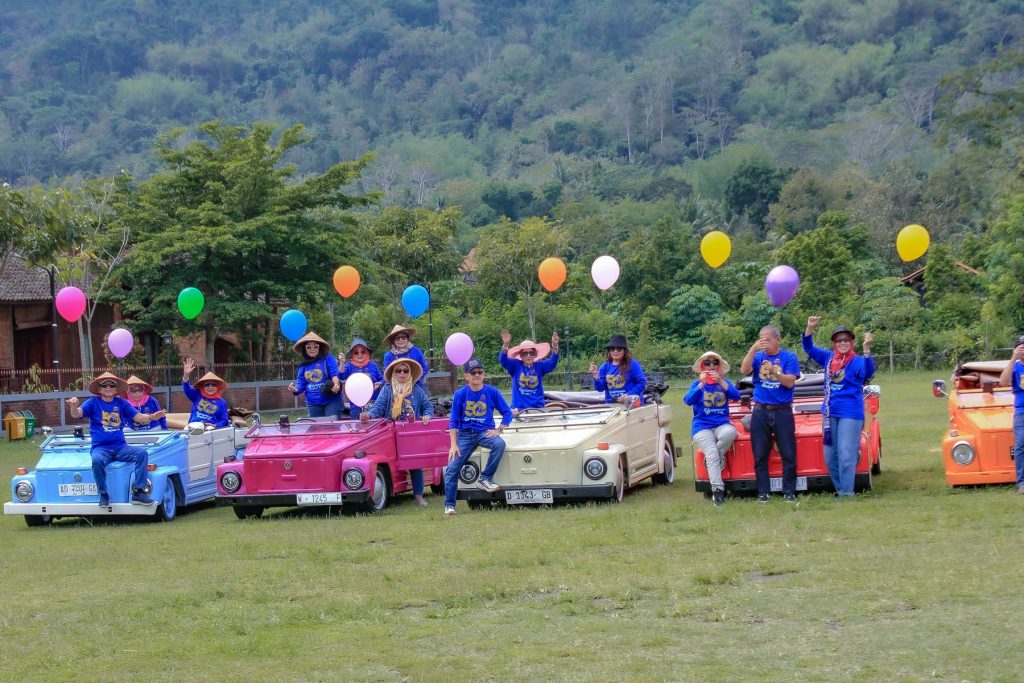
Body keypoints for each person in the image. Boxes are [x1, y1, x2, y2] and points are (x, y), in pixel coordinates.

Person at [65, 372, 166, 506]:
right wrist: (73, 406)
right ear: (99, 389)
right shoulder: (92, 402)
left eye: (111, 385)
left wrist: (152, 417)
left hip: (120, 447)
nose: (108, 388)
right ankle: (103, 494)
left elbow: (139, 418)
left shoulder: (122, 404)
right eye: (104, 385)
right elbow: (76, 414)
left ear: (116, 389)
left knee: (142, 454)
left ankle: (138, 492)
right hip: (100, 448)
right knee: (96, 460)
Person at [803, 317, 875, 497]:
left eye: (846, 340)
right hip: (829, 413)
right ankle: (841, 490)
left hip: (850, 413)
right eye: (839, 340)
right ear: (834, 343)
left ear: (851, 342)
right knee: (830, 457)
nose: (842, 343)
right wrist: (809, 328)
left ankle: (847, 493)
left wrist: (867, 350)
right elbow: (809, 348)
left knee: (845, 454)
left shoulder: (857, 360)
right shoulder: (828, 358)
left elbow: (868, 372)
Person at [444, 359, 514, 516]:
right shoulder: (460, 394)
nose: (476, 375)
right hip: (465, 434)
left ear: (484, 374)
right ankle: (449, 505)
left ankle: (485, 478)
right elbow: (454, 420)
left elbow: (507, 412)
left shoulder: (492, 392)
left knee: (499, 444)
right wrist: (453, 445)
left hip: (485, 432)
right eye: (473, 373)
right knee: (452, 468)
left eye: (479, 372)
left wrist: (499, 430)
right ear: (466, 376)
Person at [361, 358, 434, 506]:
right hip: (391, 432)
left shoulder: (416, 389)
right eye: (398, 371)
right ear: (393, 373)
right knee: (390, 462)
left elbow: (428, 406)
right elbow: (378, 407)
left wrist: (427, 415)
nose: (402, 373)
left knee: (415, 464)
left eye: (405, 370)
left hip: (410, 432)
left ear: (410, 373)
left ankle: (419, 496)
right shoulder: (387, 389)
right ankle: (389, 491)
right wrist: (368, 415)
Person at [740, 325, 800, 502]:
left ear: (777, 340)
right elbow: (744, 370)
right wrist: (752, 349)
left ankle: (789, 492)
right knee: (760, 454)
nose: (764, 342)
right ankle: (763, 493)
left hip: (783, 411)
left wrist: (776, 371)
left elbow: (789, 382)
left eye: (768, 339)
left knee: (788, 453)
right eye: (761, 338)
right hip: (761, 411)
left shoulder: (789, 357)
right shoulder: (758, 357)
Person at [684, 352, 741, 507]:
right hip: (702, 426)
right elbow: (688, 401)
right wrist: (702, 384)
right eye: (707, 363)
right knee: (711, 453)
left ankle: (713, 460)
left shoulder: (725, 382)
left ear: (719, 366)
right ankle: (717, 491)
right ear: (702, 367)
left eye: (714, 362)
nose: (711, 366)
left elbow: (737, 396)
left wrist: (721, 382)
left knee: (731, 433)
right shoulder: (696, 385)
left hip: (722, 424)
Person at [499, 329, 560, 415]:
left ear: (535, 355)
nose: (528, 355)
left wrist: (555, 345)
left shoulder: (539, 366)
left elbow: (552, 362)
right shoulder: (515, 365)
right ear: (520, 355)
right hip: (518, 410)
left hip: (538, 409)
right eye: (525, 353)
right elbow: (503, 360)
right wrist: (505, 344)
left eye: (531, 353)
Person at [288, 332, 342, 419]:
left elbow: (334, 375)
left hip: (331, 401)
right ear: (305, 349)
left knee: (332, 428)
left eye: (315, 346)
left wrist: (336, 385)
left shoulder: (328, 359)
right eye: (308, 347)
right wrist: (295, 389)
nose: (312, 349)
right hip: (313, 404)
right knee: (316, 430)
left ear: (319, 347)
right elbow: (300, 384)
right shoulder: (303, 366)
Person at [998, 334, 1024, 495]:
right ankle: (1022, 482)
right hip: (1021, 411)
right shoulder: (1014, 367)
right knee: (1021, 444)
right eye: (1020, 348)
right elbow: (1003, 381)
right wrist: (1013, 358)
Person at [590, 334, 647, 404]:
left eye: (619, 349)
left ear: (624, 351)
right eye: (612, 348)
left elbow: (642, 383)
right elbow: (600, 388)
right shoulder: (604, 366)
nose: (615, 351)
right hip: (612, 405)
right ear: (609, 351)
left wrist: (628, 395)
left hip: (631, 404)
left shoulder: (632, 364)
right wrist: (596, 376)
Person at [340, 337, 384, 419]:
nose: (359, 354)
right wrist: (342, 363)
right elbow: (341, 376)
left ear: (367, 353)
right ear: (352, 354)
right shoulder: (349, 366)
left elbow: (382, 379)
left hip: (373, 405)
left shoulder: (373, 365)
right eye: (356, 352)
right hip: (355, 407)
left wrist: (379, 384)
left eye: (362, 351)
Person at [182, 358, 230, 428]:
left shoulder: (222, 402)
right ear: (203, 387)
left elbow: (224, 420)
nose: (210, 387)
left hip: (211, 430)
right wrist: (186, 375)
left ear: (217, 387)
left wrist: (214, 425)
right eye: (207, 384)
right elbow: (187, 389)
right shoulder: (197, 395)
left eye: (213, 384)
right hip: (193, 426)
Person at [382, 324, 429, 391]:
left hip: (416, 386)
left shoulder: (416, 351)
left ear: (407, 339)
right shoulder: (388, 355)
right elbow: (387, 373)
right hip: (396, 389)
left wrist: (414, 378)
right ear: (393, 341)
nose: (400, 340)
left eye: (403, 337)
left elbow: (424, 368)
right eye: (397, 338)